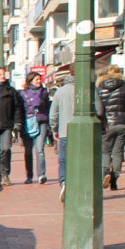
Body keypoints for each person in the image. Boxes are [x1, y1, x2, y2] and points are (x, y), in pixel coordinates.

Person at [95, 64, 125, 191]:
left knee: (105, 151)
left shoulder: (100, 88)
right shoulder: (124, 87)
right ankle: (114, 179)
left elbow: (98, 108)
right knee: (117, 152)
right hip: (122, 123)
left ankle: (105, 173)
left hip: (107, 124)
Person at [18, 72, 51, 183]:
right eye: (36, 79)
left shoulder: (44, 92)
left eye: (39, 79)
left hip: (41, 121)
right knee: (28, 151)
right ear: (30, 80)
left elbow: (47, 106)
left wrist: (48, 120)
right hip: (27, 123)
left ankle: (41, 175)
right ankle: (29, 176)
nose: (39, 81)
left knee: (40, 149)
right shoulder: (22, 94)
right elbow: (20, 109)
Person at [48, 68, 75, 199]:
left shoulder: (60, 91)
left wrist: (54, 130)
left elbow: (53, 114)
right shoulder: (87, 89)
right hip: (85, 133)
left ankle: (64, 181)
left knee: (64, 160)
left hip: (64, 131)